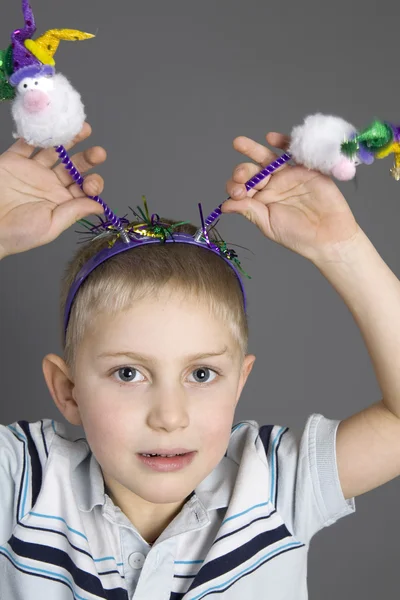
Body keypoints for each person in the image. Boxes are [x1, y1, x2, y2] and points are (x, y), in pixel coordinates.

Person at [1, 121, 400, 600]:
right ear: (68, 391)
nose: (169, 416)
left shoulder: (275, 483)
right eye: (128, 373)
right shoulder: (21, 481)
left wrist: (342, 249)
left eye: (202, 374)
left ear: (239, 383)